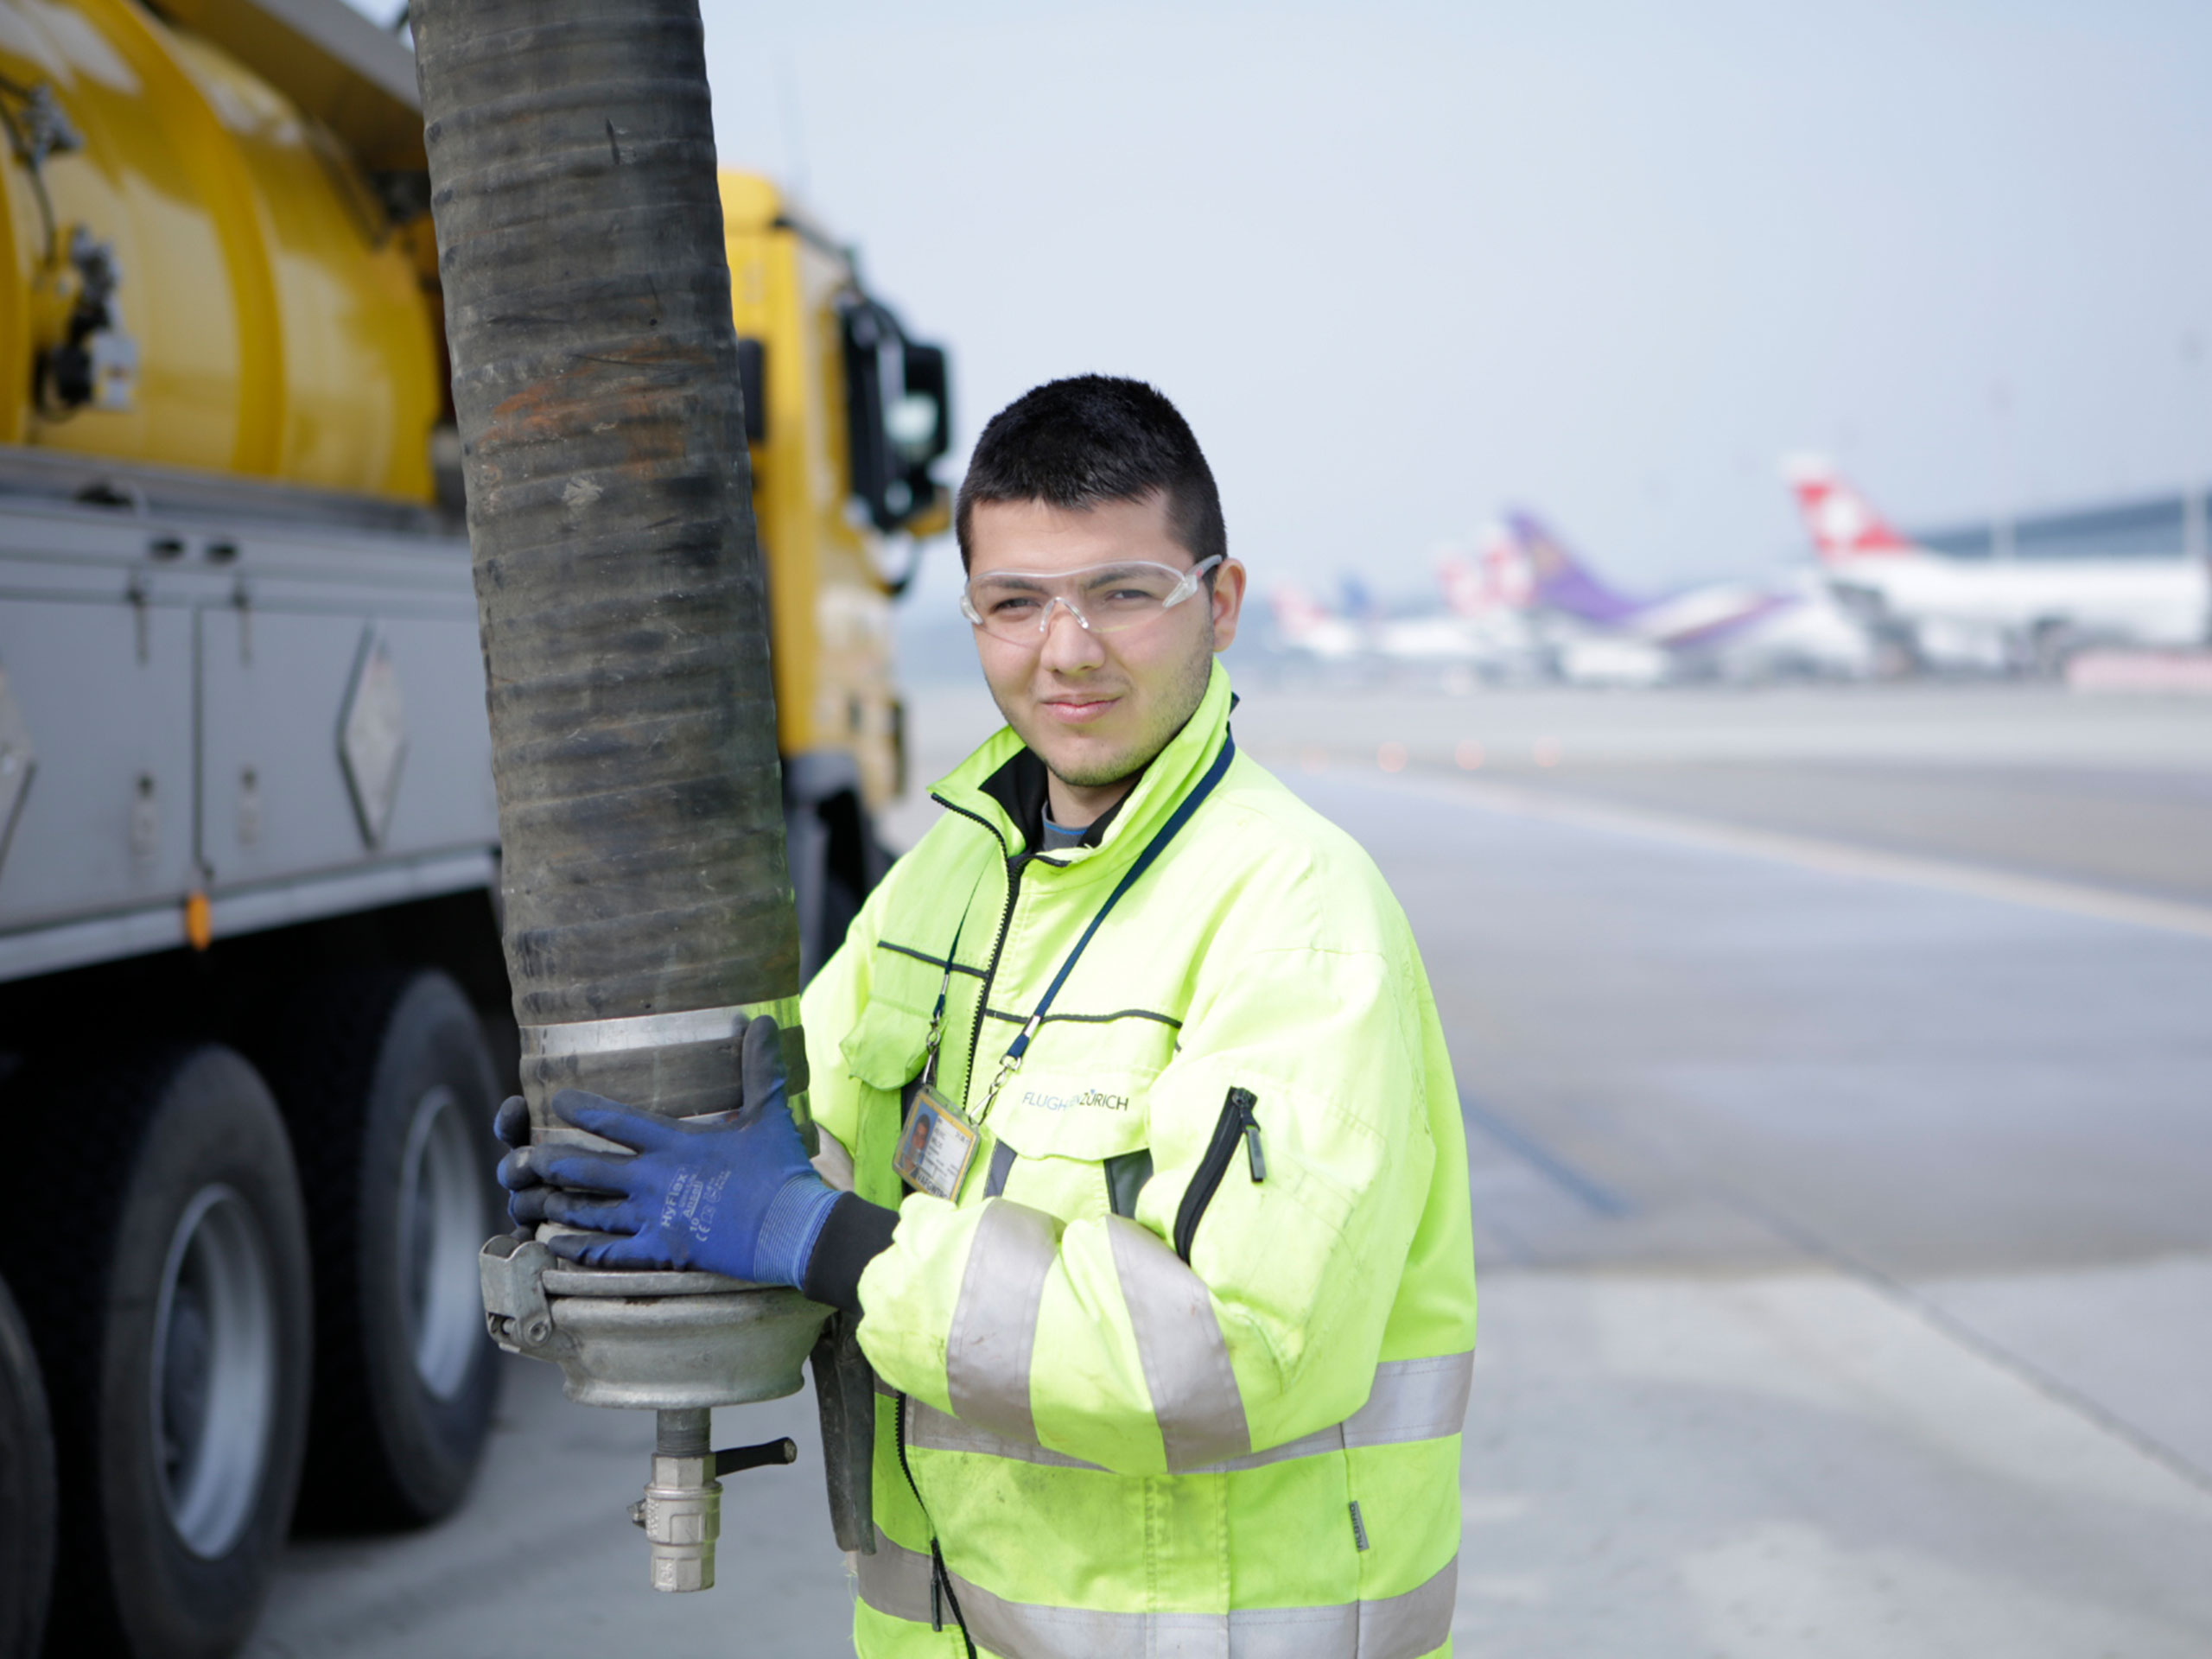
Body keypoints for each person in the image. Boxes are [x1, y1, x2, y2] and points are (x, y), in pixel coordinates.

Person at [500, 375, 1477, 1657]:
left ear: (1220, 604)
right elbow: (809, 1148)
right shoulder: (947, 884)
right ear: (969, 614)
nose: (1066, 650)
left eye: (1123, 593)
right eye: (1015, 602)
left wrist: (822, 1238)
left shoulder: (1297, 916)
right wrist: (631, 1166)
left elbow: (1224, 1359)